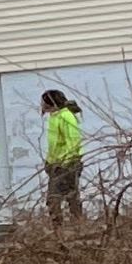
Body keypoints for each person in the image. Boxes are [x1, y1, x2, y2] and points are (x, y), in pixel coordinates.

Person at [39, 87, 85, 223]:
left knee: (65, 198)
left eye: (43, 102)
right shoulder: (54, 117)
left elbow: (73, 141)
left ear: (50, 103)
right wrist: (49, 162)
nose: (41, 105)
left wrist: (65, 162)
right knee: (58, 199)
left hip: (67, 164)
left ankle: (76, 225)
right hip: (56, 165)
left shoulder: (66, 116)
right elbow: (55, 144)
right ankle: (60, 229)